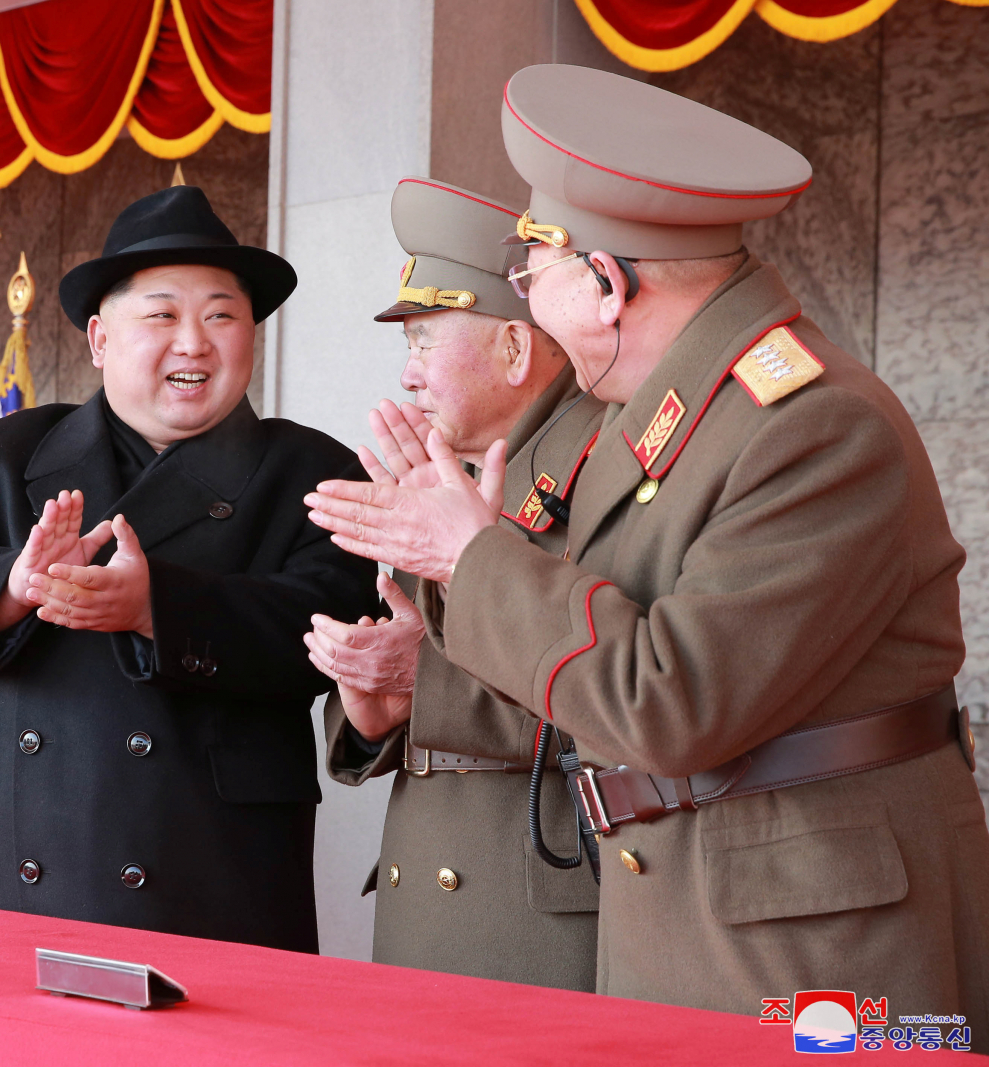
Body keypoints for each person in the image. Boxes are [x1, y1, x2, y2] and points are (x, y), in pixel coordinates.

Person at [306, 65, 989, 1025]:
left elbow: (670, 702)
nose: (530, 312)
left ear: (607, 282)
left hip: (814, 952)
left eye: (530, 279)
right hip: (692, 916)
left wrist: (471, 556)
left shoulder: (814, 425)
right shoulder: (675, 419)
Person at [0, 185, 380, 952]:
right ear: (99, 339)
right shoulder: (3, 457)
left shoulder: (314, 472)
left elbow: (329, 630)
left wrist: (157, 609)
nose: (194, 342)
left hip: (210, 878)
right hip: (8, 871)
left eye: (222, 316)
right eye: (162, 316)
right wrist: (11, 587)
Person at [307, 177, 603, 987]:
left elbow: (629, 688)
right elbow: (411, 661)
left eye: (423, 343)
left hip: (531, 905)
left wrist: (422, 681)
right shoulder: (450, 475)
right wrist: (369, 707)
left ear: (514, 348)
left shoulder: (604, 466)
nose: (408, 376)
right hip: (428, 886)